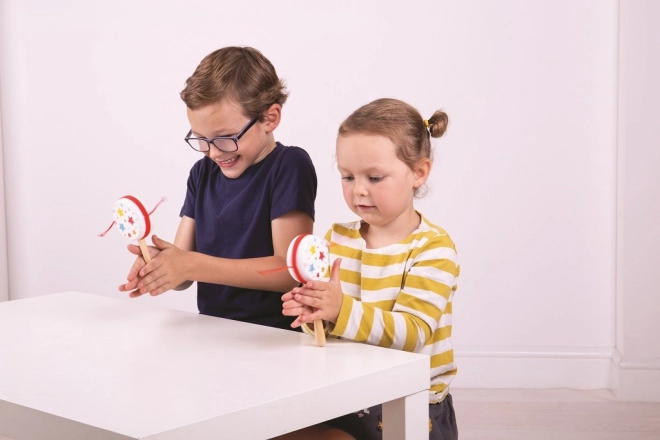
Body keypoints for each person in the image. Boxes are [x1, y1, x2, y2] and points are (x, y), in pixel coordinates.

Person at [280, 98, 459, 439]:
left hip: (410, 404)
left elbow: (412, 333)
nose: (358, 189)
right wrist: (313, 311)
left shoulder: (433, 249)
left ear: (419, 173)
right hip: (347, 395)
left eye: (374, 177)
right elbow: (332, 329)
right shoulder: (338, 238)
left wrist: (339, 308)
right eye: (347, 176)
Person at [119, 46, 317, 331]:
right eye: (201, 140)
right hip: (213, 332)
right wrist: (162, 264)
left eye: (225, 138)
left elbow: (288, 270)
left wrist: (191, 265)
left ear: (269, 118)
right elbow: (185, 275)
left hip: (274, 337)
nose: (213, 152)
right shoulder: (202, 173)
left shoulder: (289, 165)